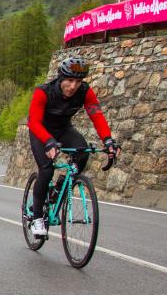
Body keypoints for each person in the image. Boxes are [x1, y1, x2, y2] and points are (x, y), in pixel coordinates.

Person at [27, 56, 119, 237]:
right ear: (61, 78)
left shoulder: (85, 92)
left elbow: (97, 115)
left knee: (83, 153)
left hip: (63, 130)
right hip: (41, 132)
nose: (73, 86)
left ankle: (58, 190)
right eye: (69, 80)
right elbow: (34, 123)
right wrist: (48, 141)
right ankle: (37, 218)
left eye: (78, 81)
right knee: (46, 170)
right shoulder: (43, 92)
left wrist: (108, 140)